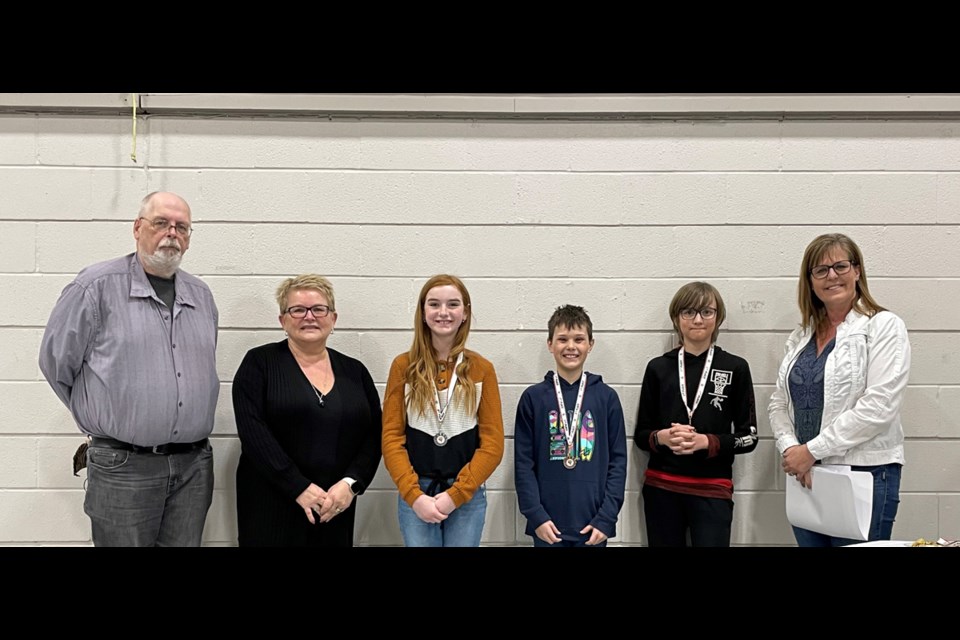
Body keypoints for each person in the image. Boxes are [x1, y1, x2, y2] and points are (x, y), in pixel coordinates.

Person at [38, 191, 219, 547]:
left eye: (182, 227)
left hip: (193, 467)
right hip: (124, 466)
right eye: (161, 223)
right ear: (138, 228)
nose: (172, 233)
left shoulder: (201, 296)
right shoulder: (95, 288)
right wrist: (107, 413)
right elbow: (55, 363)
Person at [769, 233, 910, 546]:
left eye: (840, 266)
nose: (831, 276)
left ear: (857, 271)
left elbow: (879, 407)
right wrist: (792, 450)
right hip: (806, 476)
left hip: (864, 474)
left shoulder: (883, 326)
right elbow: (779, 402)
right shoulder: (801, 335)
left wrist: (811, 451)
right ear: (810, 281)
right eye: (820, 270)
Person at [232, 275, 382, 547]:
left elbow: (374, 434)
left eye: (318, 309)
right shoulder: (259, 363)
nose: (309, 317)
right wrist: (297, 486)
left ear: (333, 318)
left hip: (334, 506)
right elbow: (254, 433)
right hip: (272, 504)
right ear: (283, 320)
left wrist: (350, 484)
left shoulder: (355, 371)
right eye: (298, 310)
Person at [381, 274, 504, 546]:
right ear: (423, 313)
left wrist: (456, 495)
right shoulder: (403, 367)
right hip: (417, 493)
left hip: (466, 494)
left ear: (465, 313)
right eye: (434, 304)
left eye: (453, 305)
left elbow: (493, 444)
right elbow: (391, 438)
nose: (443, 312)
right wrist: (414, 496)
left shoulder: (481, 369)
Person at [634, 282, 758, 547]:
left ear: (718, 317)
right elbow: (641, 436)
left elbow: (749, 437)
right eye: (688, 312)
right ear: (677, 318)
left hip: (712, 489)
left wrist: (708, 442)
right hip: (662, 488)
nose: (698, 319)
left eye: (706, 312)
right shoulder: (658, 368)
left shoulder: (735, 367)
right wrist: (663, 438)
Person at [514, 305, 627, 547]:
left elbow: (618, 462)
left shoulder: (606, 398)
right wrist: (536, 516)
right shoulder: (533, 398)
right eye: (562, 339)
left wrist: (606, 518)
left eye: (579, 339)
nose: (571, 346)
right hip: (547, 527)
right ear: (550, 344)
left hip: (592, 527)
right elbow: (523, 464)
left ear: (590, 344)